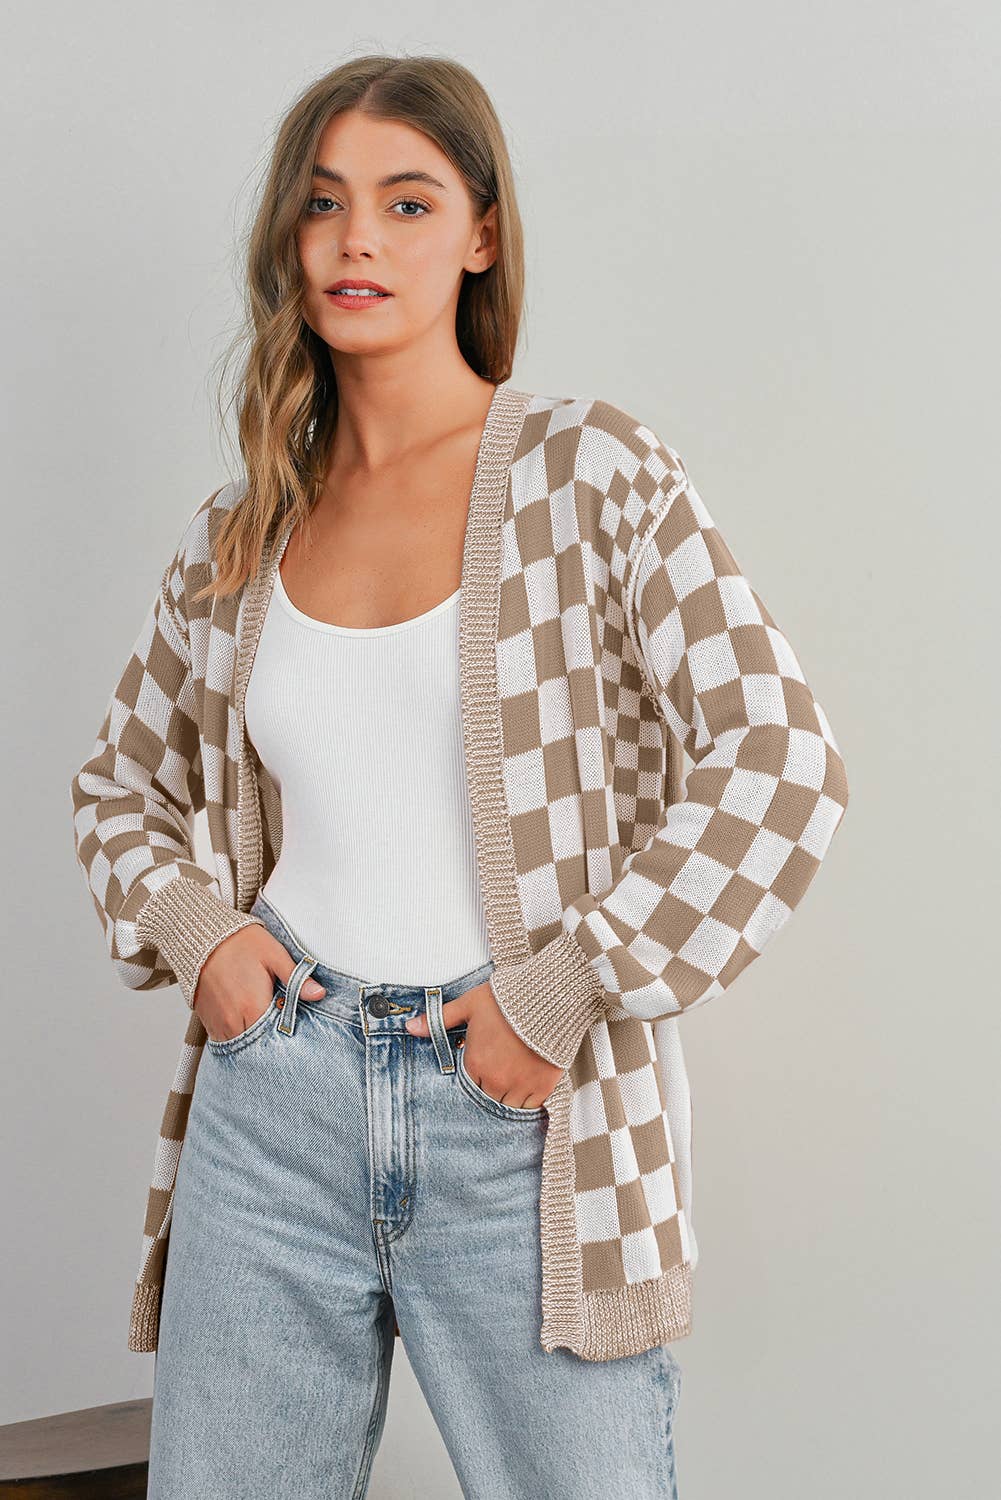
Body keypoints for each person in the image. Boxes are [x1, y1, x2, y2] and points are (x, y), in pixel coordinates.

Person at [70, 53, 849, 1500]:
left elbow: (780, 758)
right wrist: (204, 938)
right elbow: (119, 787)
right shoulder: (242, 530)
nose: (356, 240)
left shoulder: (590, 473)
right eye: (323, 204)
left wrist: (568, 988)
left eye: (408, 202)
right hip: (275, 1103)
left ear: (481, 233)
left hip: (525, 1120)